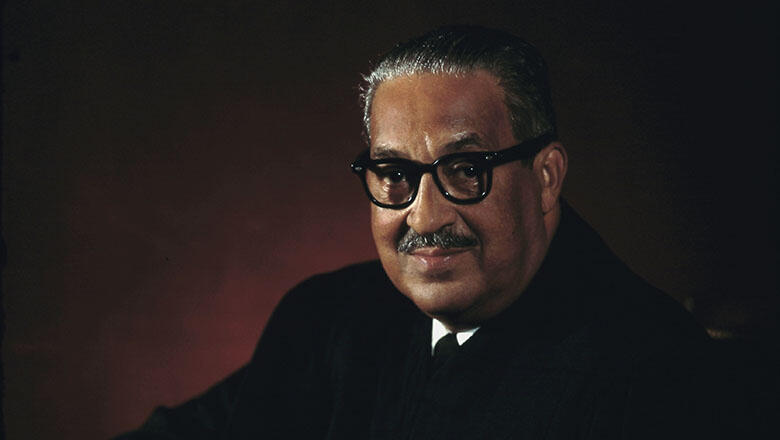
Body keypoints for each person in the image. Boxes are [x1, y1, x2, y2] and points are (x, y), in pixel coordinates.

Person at [117, 25, 726, 439]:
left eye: (467, 169)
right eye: (395, 173)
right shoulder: (327, 318)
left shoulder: (651, 371)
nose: (426, 217)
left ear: (546, 178)